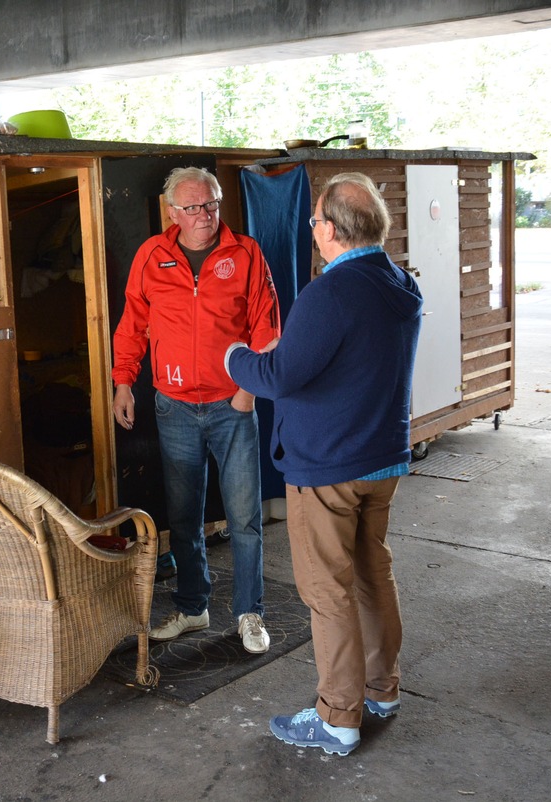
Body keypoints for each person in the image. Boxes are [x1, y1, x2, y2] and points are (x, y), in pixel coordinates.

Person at [224, 172, 423, 755]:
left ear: (330, 230)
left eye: (314, 221)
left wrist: (237, 357)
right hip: (379, 461)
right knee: (370, 577)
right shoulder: (398, 282)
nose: (312, 230)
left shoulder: (330, 293)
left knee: (327, 592)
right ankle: (381, 690)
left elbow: (279, 374)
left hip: (329, 467)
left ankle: (337, 717)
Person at [112, 166, 281, 654]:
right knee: (183, 517)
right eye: (192, 208)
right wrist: (124, 382)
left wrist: (247, 393)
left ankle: (250, 612)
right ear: (173, 213)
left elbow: (267, 329)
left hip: (233, 406)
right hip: (175, 407)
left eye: (210, 204)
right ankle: (192, 607)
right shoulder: (152, 255)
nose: (204, 215)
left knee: (244, 517)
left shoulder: (245, 253)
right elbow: (132, 324)